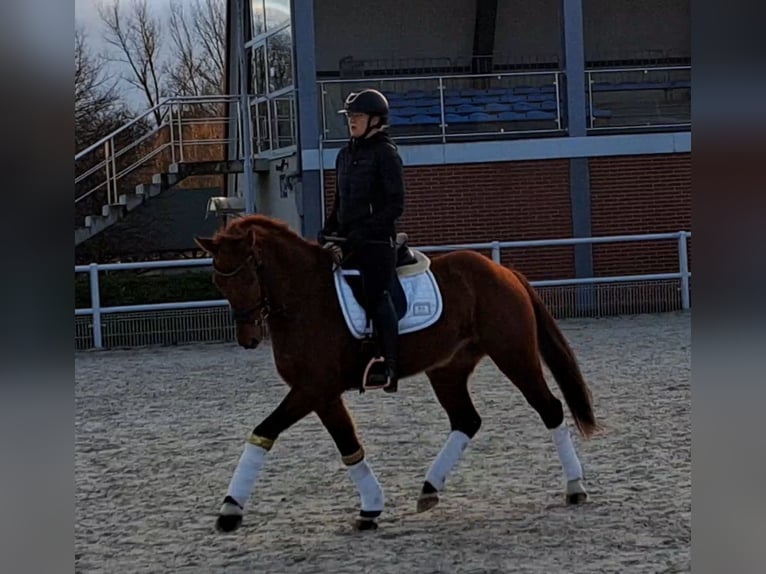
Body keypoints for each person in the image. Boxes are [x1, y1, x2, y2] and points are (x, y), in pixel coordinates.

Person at [319, 88, 406, 393]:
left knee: (377, 296)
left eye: (357, 116)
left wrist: (365, 230)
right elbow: (339, 201)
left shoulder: (386, 154)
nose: (352, 122)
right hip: (347, 240)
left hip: (377, 244)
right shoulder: (344, 155)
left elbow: (396, 205)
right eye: (350, 117)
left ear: (375, 120)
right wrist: (328, 228)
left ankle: (390, 366)